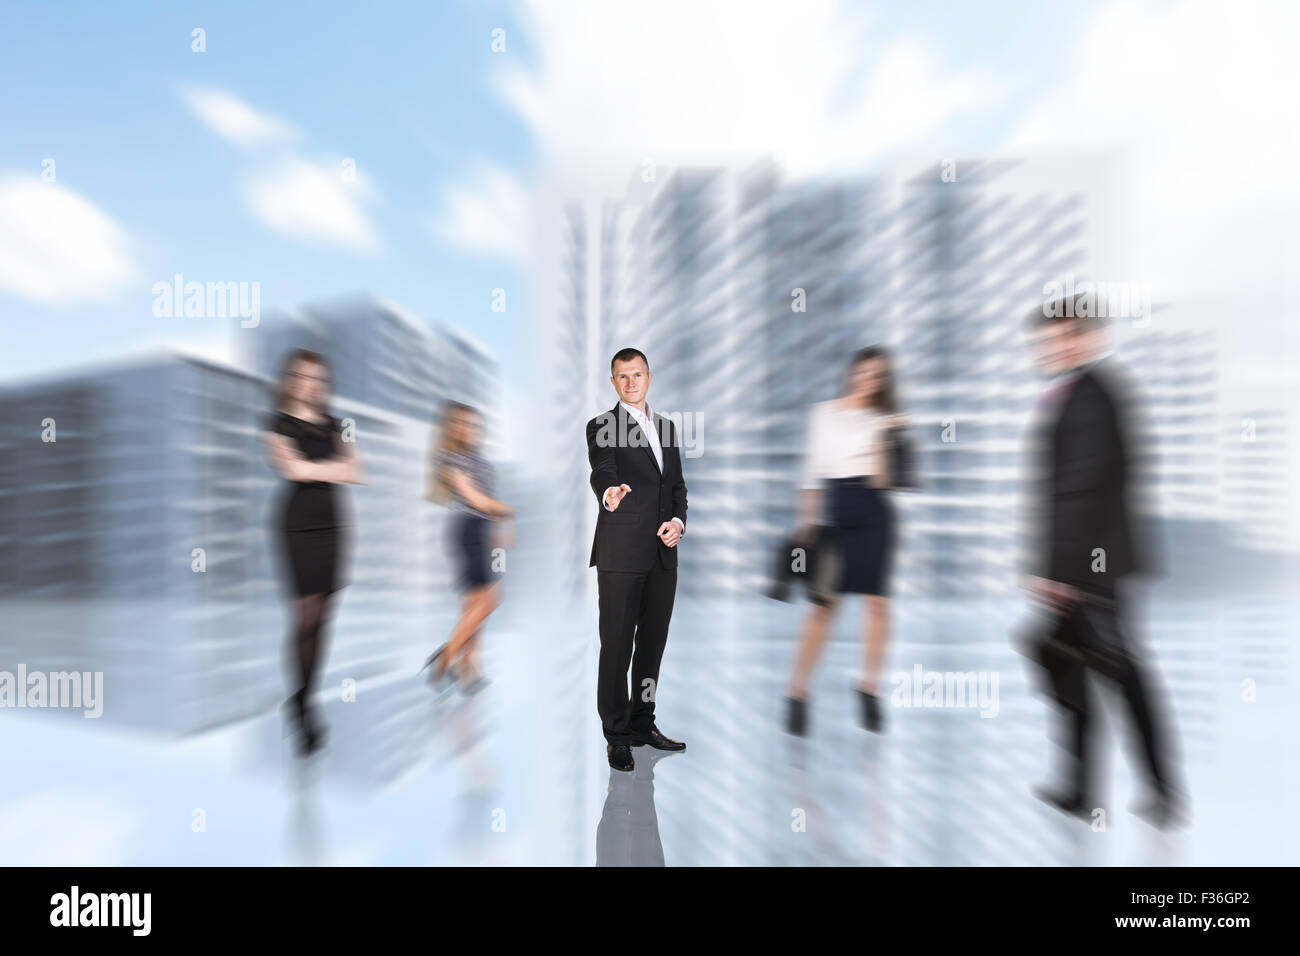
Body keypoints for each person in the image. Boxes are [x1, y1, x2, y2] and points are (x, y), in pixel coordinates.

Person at [1022, 293, 1184, 828]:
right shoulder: (1081, 393)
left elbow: (1084, 488)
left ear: (1091, 338)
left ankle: (1157, 792)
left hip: (1091, 563)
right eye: (1047, 340)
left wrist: (1061, 571)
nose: (1052, 347)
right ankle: (1085, 788)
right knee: (1071, 662)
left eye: (1065, 337)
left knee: (1119, 671)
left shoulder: (1092, 395)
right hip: (1090, 559)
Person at [785, 346, 907, 736]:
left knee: (878, 607)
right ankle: (797, 693)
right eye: (864, 371)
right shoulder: (824, 413)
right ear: (853, 372)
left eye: (877, 375)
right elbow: (810, 474)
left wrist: (887, 436)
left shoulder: (883, 418)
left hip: (876, 513)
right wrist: (808, 527)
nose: (869, 379)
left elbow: (884, 481)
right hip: (838, 515)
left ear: (883, 381)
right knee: (824, 607)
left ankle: (869, 689)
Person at [586, 348, 688, 772]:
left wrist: (679, 521)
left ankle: (643, 722)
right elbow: (602, 469)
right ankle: (616, 735)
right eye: (621, 377)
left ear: (650, 376)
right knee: (617, 647)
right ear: (613, 383)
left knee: (652, 646)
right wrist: (609, 493)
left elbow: (677, 486)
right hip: (621, 554)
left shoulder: (666, 427)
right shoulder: (602, 426)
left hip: (662, 555)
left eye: (637, 374)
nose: (630, 382)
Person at [262, 349, 364, 756]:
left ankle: (306, 696)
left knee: (323, 618)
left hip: (335, 525)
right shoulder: (277, 423)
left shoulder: (338, 425)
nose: (311, 385)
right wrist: (329, 469)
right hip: (298, 524)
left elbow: (357, 471)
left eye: (318, 379)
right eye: (303, 377)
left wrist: (315, 467)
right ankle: (301, 704)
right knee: (306, 616)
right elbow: (292, 471)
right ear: (291, 380)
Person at [424, 401, 513, 694]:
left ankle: (469, 668)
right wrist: (507, 512)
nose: (469, 430)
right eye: (461, 424)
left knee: (475, 605)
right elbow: (476, 500)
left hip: (484, 531)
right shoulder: (450, 459)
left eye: (474, 425)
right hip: (468, 530)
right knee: (489, 600)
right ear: (452, 428)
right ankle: (447, 655)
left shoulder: (482, 462)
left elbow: (489, 501)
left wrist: (501, 526)